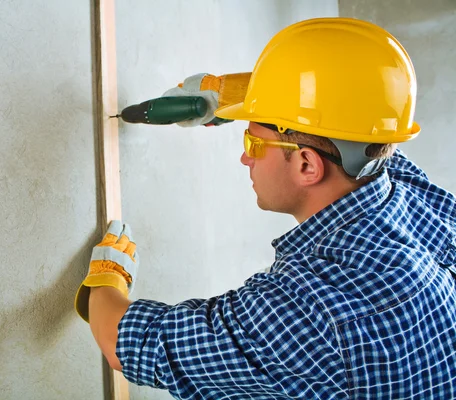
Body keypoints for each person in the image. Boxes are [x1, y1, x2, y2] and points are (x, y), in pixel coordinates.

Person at [74, 17, 456, 399]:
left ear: (307, 165)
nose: (245, 158)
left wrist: (107, 281)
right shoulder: (412, 197)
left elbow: (133, 345)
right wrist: (240, 96)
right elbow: (362, 112)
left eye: (253, 142)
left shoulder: (305, 315)